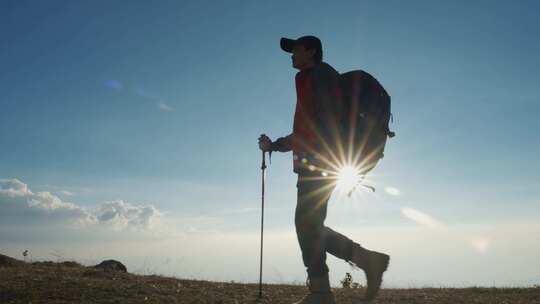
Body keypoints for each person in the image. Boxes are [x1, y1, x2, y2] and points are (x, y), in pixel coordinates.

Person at [258, 35, 390, 304]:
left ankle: (323, 291)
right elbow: (310, 127)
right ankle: (364, 262)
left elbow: (321, 123)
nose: (291, 55)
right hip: (321, 160)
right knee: (309, 224)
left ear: (311, 51)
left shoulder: (317, 76)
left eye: (296, 49)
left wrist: (283, 145)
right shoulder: (314, 77)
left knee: (306, 224)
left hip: (320, 161)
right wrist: (277, 145)